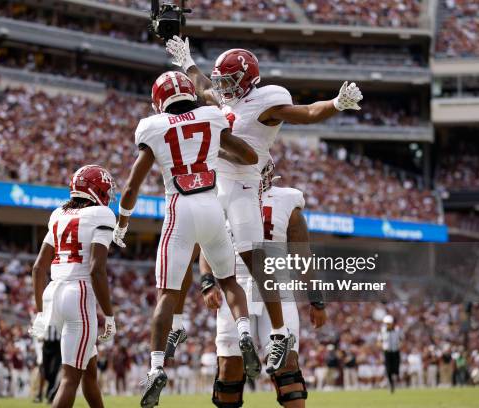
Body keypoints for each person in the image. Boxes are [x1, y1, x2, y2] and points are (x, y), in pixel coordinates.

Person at [166, 35, 362, 373]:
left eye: (230, 81)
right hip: (216, 184)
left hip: (244, 183)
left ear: (247, 80)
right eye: (222, 81)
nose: (224, 88)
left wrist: (335, 104)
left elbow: (307, 112)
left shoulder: (266, 103)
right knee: (186, 239)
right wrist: (187, 62)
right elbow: (203, 88)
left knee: (254, 259)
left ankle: (279, 333)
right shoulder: (225, 100)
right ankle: (177, 323)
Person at [112, 71, 261, 408]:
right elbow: (248, 155)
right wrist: (208, 155)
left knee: (168, 294)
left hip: (180, 211)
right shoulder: (211, 117)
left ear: (159, 100)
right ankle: (244, 333)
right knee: (230, 281)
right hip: (212, 208)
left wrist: (122, 221)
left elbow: (133, 185)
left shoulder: (153, 127)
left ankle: (156, 368)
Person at [200, 162, 327, 407]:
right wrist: (207, 281)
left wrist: (316, 299)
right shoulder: (221, 196)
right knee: (228, 373)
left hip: (276, 288)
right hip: (234, 287)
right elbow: (208, 244)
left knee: (287, 368)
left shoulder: (287, 202)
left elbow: (302, 256)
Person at [31, 165, 118, 408]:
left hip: (53, 294)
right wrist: (109, 315)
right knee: (70, 379)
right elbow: (96, 270)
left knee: (88, 372)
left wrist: (40, 312)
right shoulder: (102, 215)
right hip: (78, 294)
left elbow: (39, 268)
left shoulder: (58, 214)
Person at [378, 314, 402, 393]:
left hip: (395, 351)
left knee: (396, 368)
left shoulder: (398, 330)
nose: (387, 325)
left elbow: (402, 339)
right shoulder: (382, 330)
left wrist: (400, 345)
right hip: (387, 352)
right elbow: (379, 341)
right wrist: (383, 346)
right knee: (388, 369)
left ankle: (395, 380)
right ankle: (391, 385)